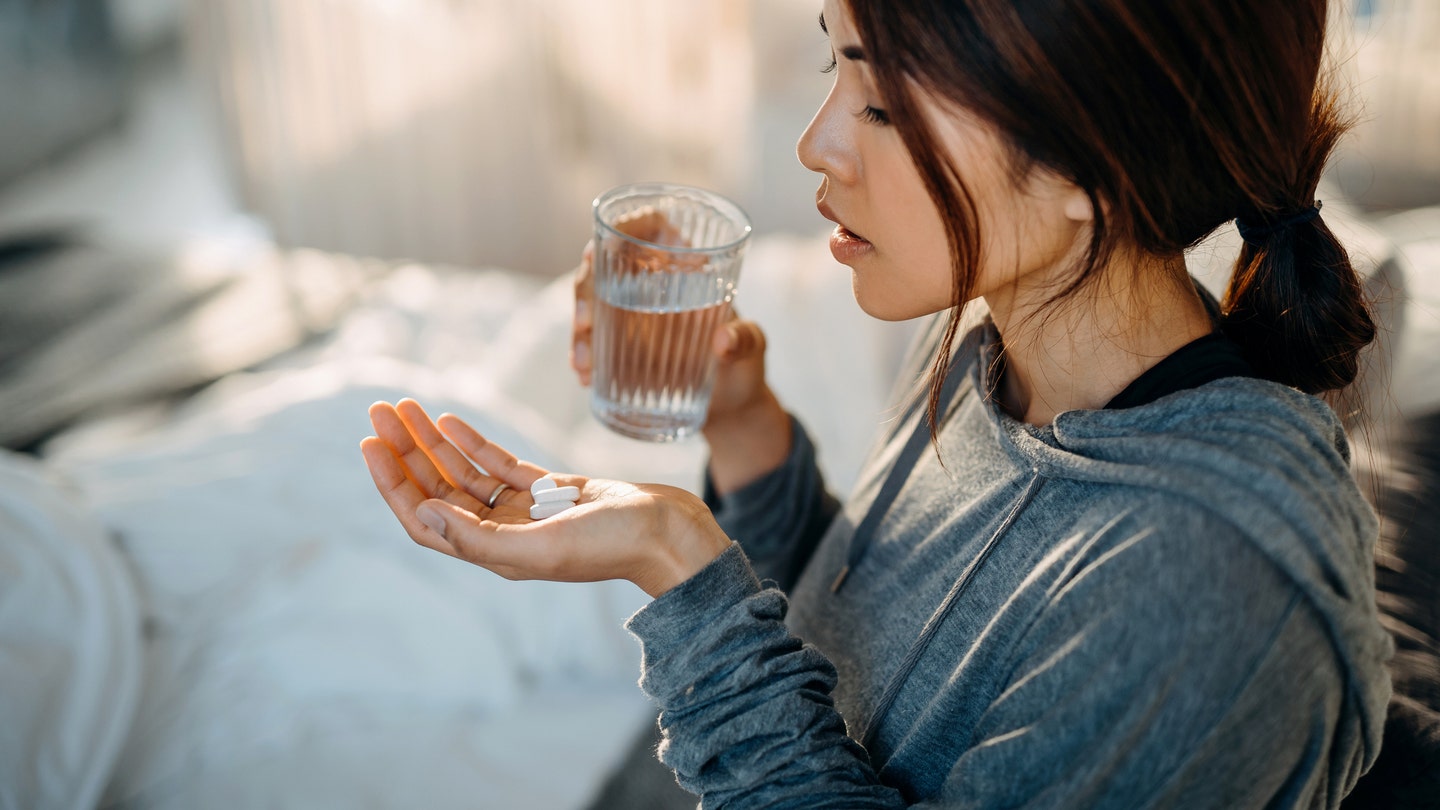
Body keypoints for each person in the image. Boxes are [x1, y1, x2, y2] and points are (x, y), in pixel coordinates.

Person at [360, 0, 1395, 805]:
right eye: (833, 64)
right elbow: (863, 662)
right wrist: (744, 425)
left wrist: (679, 564)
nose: (817, 145)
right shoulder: (999, 346)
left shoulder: (1209, 590)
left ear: (1094, 163)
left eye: (881, 105)